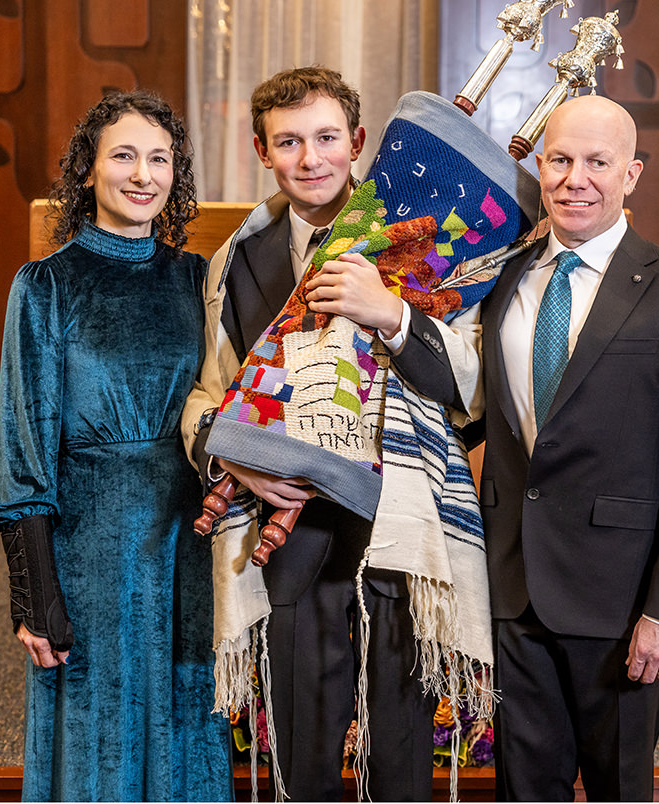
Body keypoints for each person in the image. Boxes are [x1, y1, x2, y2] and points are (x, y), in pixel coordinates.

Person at [182, 66, 485, 801]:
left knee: (399, 734)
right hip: (292, 531)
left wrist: (390, 315)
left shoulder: (416, 236)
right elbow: (211, 391)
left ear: (356, 144)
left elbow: (470, 390)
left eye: (325, 138)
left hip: (397, 517)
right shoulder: (238, 259)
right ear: (262, 150)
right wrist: (232, 457)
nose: (310, 158)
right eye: (289, 142)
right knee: (302, 727)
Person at [478, 95, 659, 801]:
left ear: (632, 175)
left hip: (622, 601)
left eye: (598, 162)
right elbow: (474, 402)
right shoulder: (500, 278)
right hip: (512, 586)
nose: (575, 178)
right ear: (540, 166)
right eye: (560, 160)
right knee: (523, 789)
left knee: (620, 788)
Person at [0, 90, 232, 802]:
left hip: (187, 539)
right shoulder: (45, 287)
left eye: (159, 158)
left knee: (188, 716)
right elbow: (22, 446)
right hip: (88, 550)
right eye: (123, 155)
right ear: (87, 172)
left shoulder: (195, 278)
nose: (142, 174)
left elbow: (227, 404)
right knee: (98, 730)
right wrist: (34, 594)